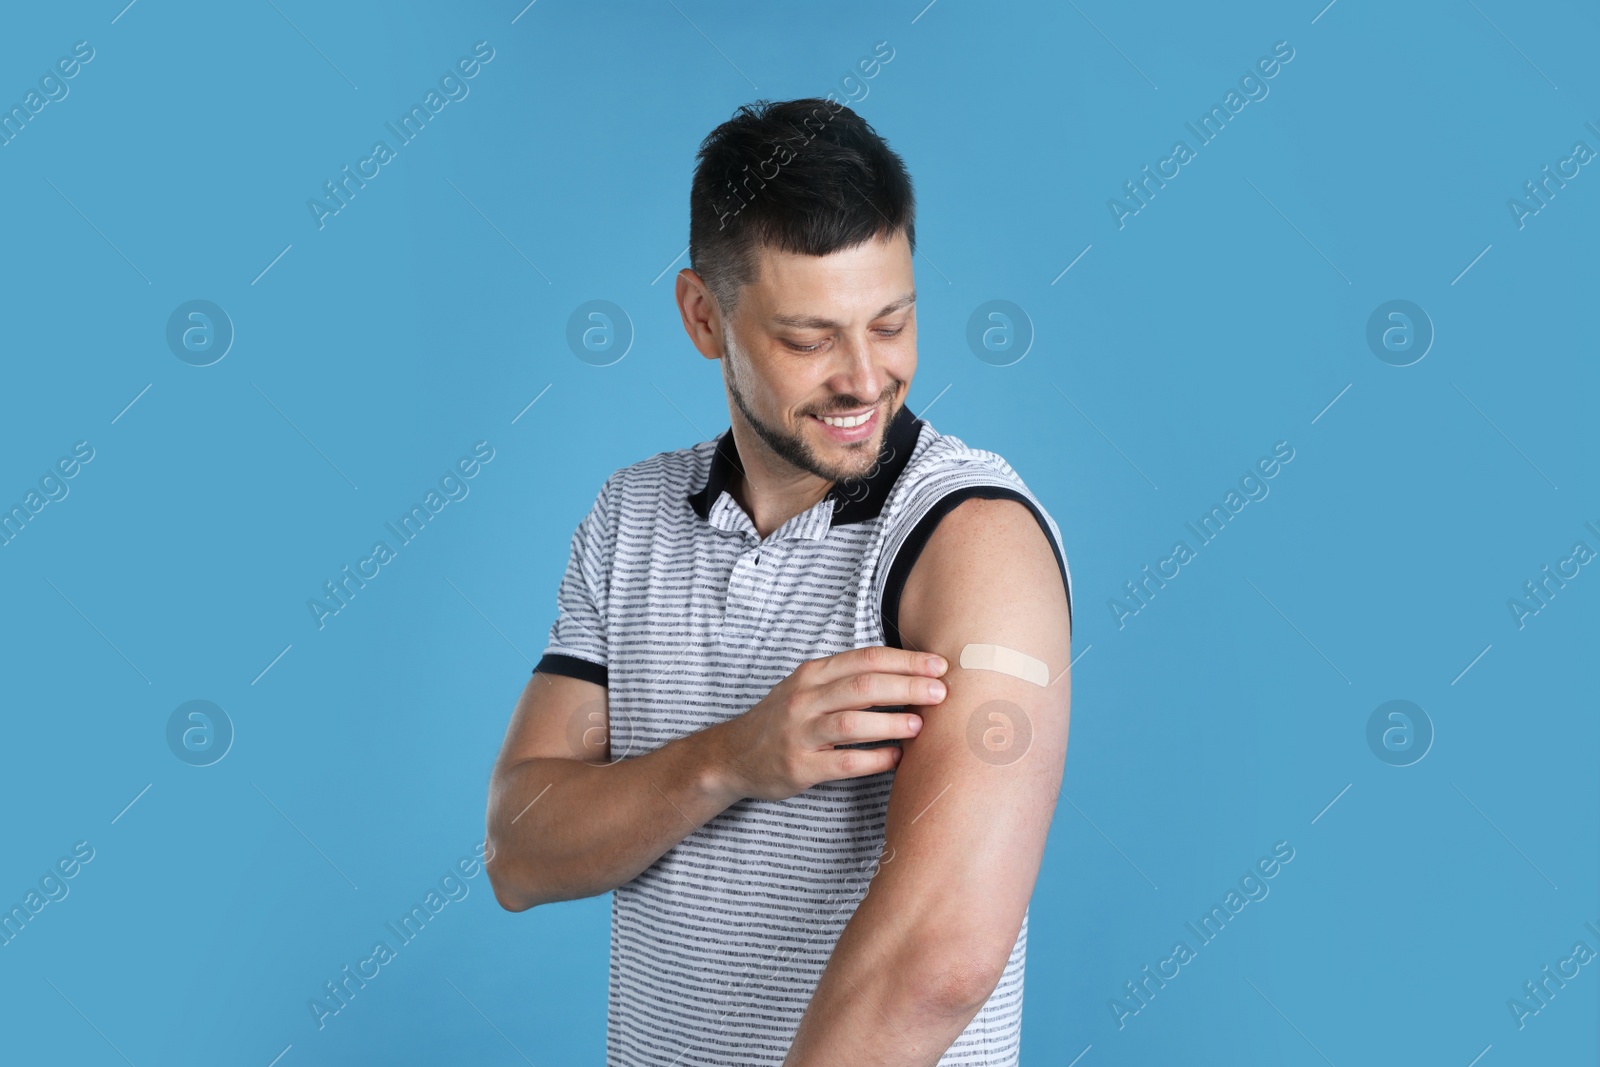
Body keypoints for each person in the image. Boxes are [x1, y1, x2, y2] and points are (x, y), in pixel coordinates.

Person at [484, 97, 1073, 1066]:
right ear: (702, 316)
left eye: (891, 323)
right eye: (809, 339)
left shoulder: (972, 538)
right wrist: (731, 758)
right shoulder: (631, 516)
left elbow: (940, 958)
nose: (864, 379)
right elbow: (519, 851)